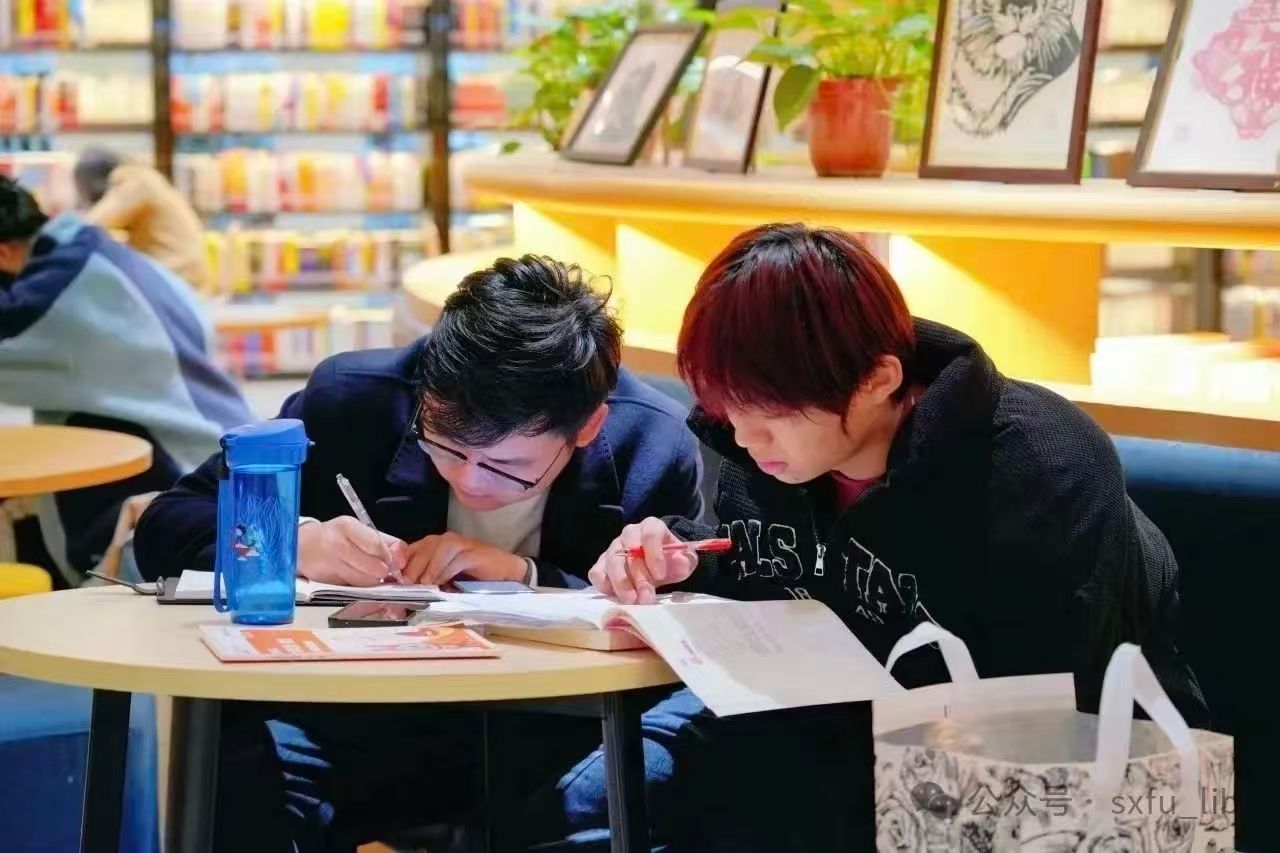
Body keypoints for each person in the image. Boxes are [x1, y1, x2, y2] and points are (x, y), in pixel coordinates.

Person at [543, 223, 1209, 851]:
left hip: (1052, 765)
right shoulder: (770, 452)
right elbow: (777, 565)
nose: (744, 436)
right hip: (823, 727)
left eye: (770, 412)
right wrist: (681, 557)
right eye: (729, 406)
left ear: (879, 380)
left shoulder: (1039, 464)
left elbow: (1037, 701)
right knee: (584, 809)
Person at [132, 254, 703, 851]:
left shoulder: (650, 442)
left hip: (554, 729)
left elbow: (673, 615)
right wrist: (292, 542)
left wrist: (529, 576)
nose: (470, 480)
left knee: (632, 792)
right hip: (361, 713)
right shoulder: (354, 400)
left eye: (508, 467)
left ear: (586, 428)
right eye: (446, 447)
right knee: (241, 771)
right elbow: (170, 523)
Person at [0, 175, 251, 584]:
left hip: (173, 500)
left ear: (4, 252)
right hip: (222, 466)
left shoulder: (51, 300)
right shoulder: (97, 251)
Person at [75, 148, 213, 292]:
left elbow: (91, 225)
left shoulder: (134, 181)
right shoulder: (148, 179)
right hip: (181, 276)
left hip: (174, 273)